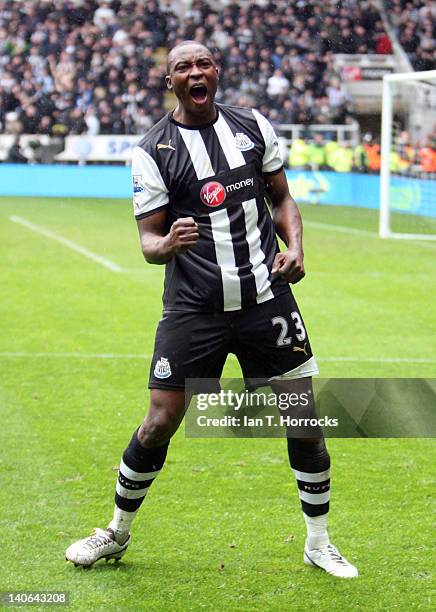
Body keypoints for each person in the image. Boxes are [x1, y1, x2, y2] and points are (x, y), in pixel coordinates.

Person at [65, 41, 358, 579]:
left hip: (265, 300)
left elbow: (283, 198)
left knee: (303, 419)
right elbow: (148, 243)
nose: (195, 72)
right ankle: (115, 532)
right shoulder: (153, 150)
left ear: (215, 73)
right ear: (170, 82)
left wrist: (295, 247)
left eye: (203, 64)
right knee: (160, 421)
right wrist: (169, 243)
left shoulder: (251, 126)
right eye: (183, 67)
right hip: (193, 309)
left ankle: (319, 541)